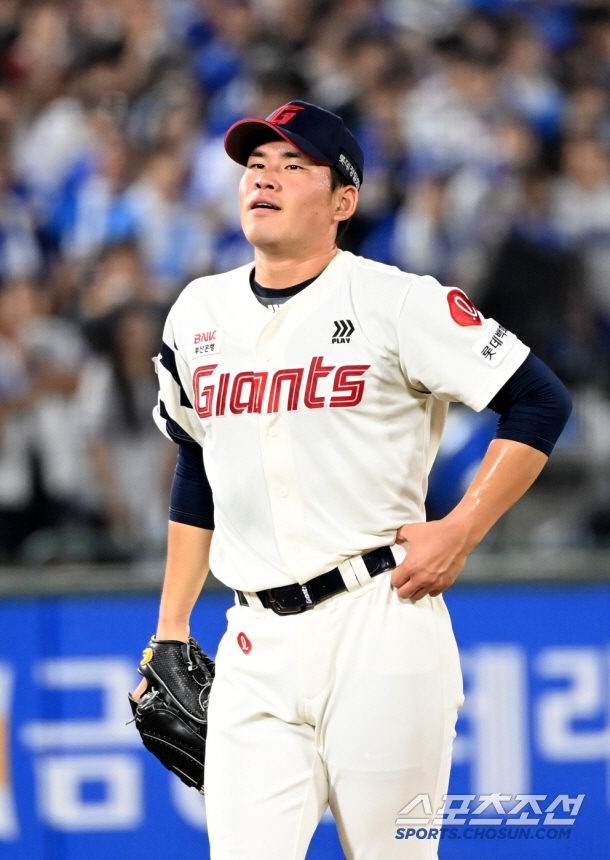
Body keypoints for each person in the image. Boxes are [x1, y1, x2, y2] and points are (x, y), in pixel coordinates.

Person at [133, 101, 571, 859]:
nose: (263, 179)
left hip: (379, 617)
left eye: (291, 166)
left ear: (344, 200)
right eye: (254, 166)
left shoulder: (397, 300)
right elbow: (198, 462)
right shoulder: (197, 313)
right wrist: (172, 624)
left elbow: (538, 399)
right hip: (253, 642)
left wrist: (462, 529)